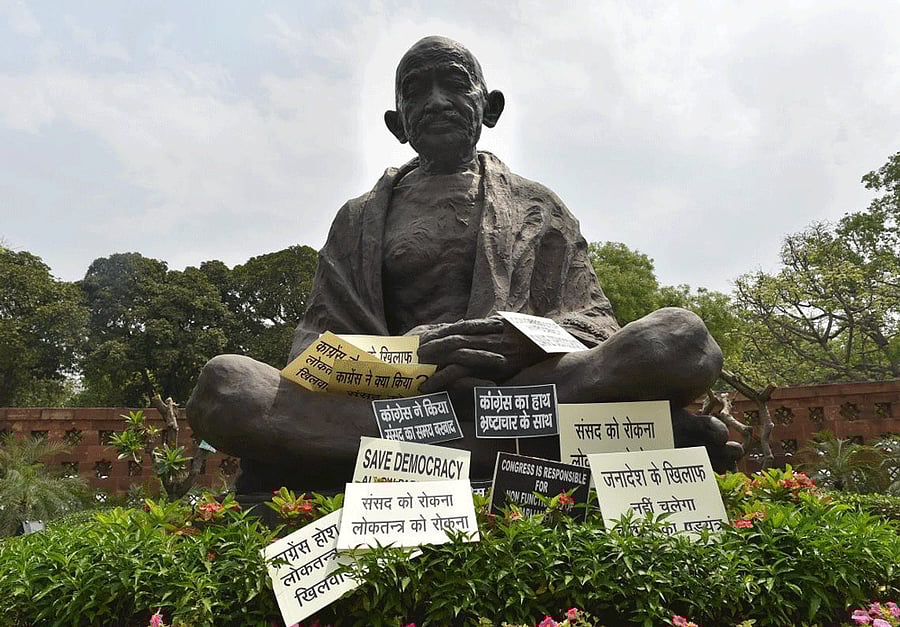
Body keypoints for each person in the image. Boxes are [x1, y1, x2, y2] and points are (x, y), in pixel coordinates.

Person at [187, 36, 739, 496]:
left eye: (453, 83)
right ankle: (569, 449)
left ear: (489, 105)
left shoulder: (539, 208)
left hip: (522, 396)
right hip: (400, 409)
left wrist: (529, 341)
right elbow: (309, 355)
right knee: (226, 388)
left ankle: (386, 464)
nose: (435, 101)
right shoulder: (358, 219)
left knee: (681, 338)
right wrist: (409, 355)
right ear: (396, 122)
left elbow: (595, 326)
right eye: (415, 91)